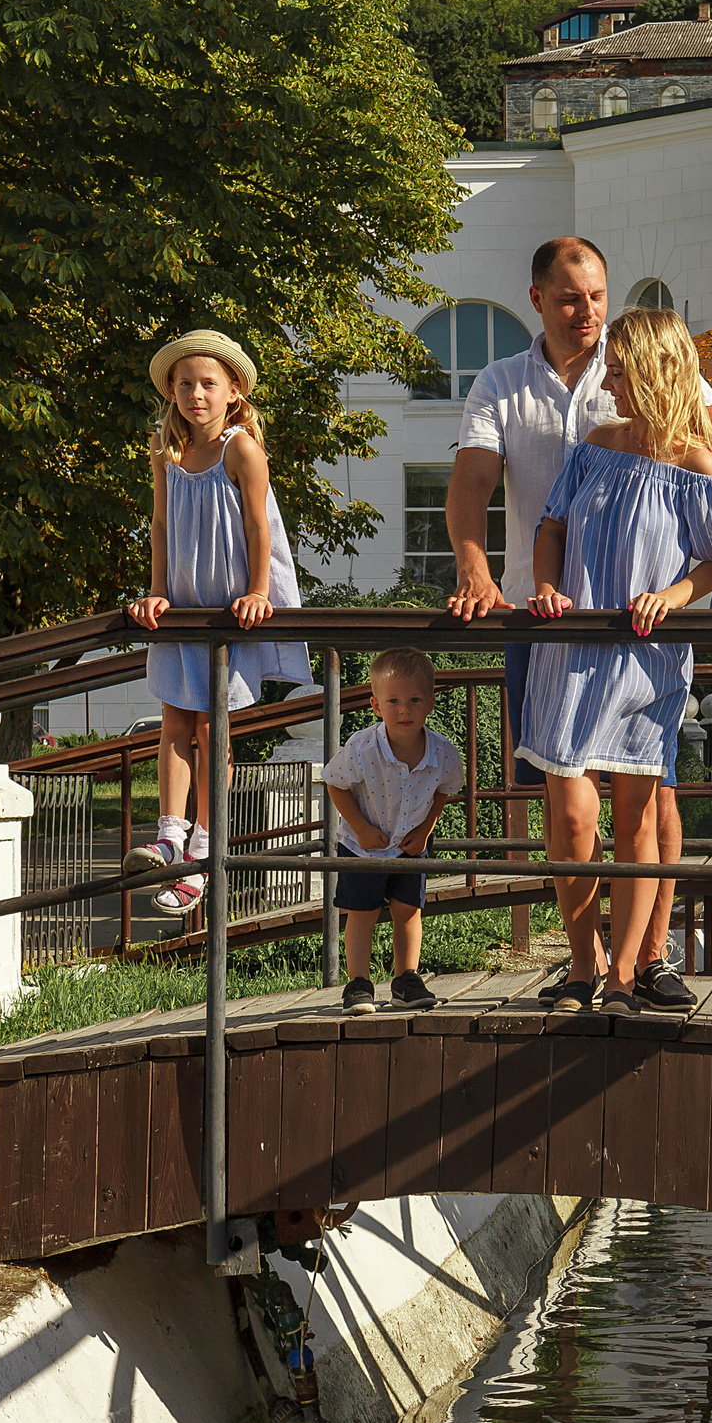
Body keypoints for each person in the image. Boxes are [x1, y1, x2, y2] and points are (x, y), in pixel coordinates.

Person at [445, 236, 712, 1008]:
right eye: (571, 298)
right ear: (538, 300)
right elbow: (473, 487)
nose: (588, 311)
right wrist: (474, 568)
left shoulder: (643, 357)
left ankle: (647, 959)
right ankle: (585, 961)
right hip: (550, 618)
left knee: (651, 801)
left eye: (597, 294)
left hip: (640, 637)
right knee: (565, 806)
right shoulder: (501, 383)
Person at [517, 309, 712, 1013]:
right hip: (571, 648)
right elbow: (551, 526)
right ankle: (583, 961)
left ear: (656, 372)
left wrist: (672, 595)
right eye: (609, 369)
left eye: (618, 370)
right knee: (573, 813)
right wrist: (546, 585)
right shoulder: (593, 445)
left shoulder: (698, 463)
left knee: (638, 815)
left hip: (647, 657)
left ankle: (622, 978)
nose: (607, 381)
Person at [122, 329, 310, 912]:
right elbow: (159, 527)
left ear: (233, 393)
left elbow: (259, 528)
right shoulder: (166, 450)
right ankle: (170, 835)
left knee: (212, 730)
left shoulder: (240, 449)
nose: (195, 394)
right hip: (183, 611)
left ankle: (204, 848)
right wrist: (156, 594)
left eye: (208, 384)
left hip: (228, 613)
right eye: (185, 384)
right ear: (172, 393)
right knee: (174, 720)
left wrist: (258, 592)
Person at [322, 647, 464, 1015]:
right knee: (362, 911)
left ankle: (406, 978)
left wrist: (427, 828)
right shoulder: (362, 748)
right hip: (361, 844)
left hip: (408, 847)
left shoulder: (443, 753)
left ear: (430, 703)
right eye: (394, 701)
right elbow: (335, 783)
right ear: (375, 705)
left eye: (415, 700)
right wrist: (360, 827)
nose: (404, 709)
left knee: (408, 909)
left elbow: (445, 790)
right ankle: (358, 984)